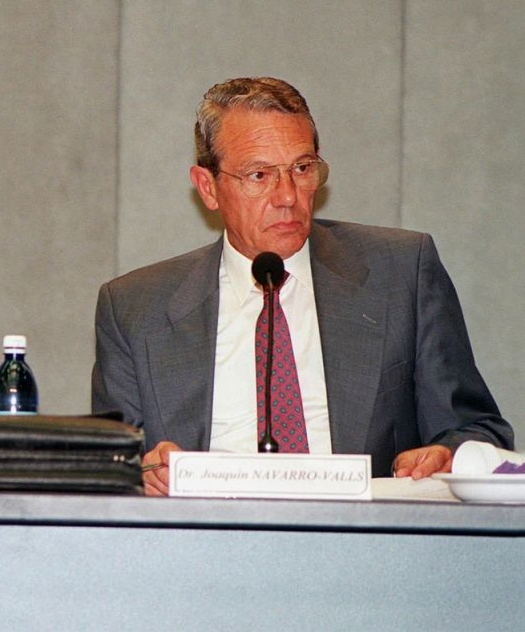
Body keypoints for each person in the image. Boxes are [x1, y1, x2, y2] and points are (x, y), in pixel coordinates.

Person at [91, 77, 513, 496]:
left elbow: (478, 432)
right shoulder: (135, 308)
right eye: (259, 175)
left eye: (302, 169)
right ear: (208, 188)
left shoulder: (401, 273)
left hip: (361, 532)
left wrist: (449, 455)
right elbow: (108, 468)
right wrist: (142, 473)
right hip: (205, 533)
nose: (288, 196)